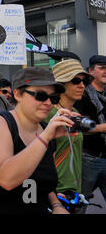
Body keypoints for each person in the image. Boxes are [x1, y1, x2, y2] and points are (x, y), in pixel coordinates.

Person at [0, 67, 72, 214]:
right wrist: (45, 137)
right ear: (18, 94)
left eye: (54, 98)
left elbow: (42, 181)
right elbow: (7, 179)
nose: (49, 103)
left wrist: (56, 204)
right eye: (40, 95)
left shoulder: (46, 130)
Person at [45, 59, 94, 207]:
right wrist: (51, 196)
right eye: (75, 80)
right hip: (54, 193)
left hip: (73, 191)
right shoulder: (48, 114)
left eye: (84, 81)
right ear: (60, 85)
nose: (82, 85)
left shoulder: (76, 113)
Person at [73, 55, 106, 209]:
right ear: (91, 71)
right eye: (102, 68)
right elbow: (75, 127)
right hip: (88, 159)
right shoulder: (82, 94)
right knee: (79, 205)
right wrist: (101, 128)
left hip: (104, 155)